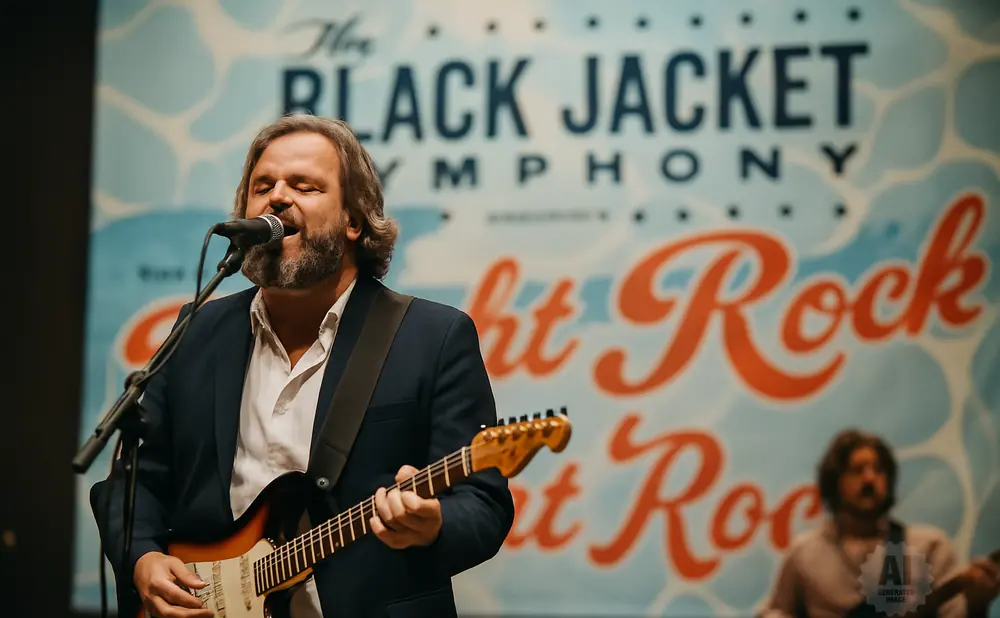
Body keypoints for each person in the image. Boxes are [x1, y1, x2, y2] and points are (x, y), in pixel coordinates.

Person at [90, 114, 515, 618]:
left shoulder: (432, 337)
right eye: (262, 186)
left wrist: (434, 523)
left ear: (354, 220)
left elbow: (483, 504)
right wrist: (142, 559)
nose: (277, 198)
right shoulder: (198, 330)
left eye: (304, 186)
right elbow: (133, 482)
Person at [759, 429, 1000, 618]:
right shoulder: (804, 552)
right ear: (834, 481)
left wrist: (977, 604)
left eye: (879, 470)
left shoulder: (928, 547)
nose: (870, 478)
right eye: (856, 470)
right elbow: (773, 612)